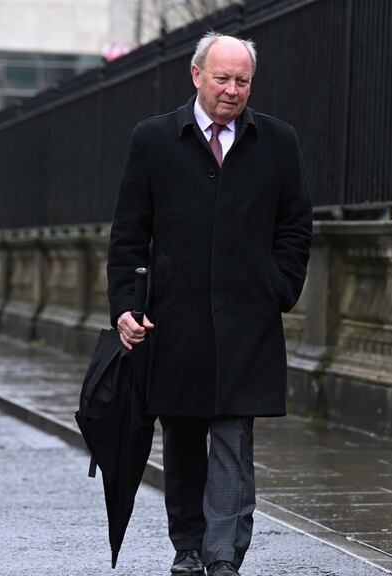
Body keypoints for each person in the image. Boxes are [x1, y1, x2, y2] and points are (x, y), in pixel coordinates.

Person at [106, 32, 312, 576]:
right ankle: (189, 547)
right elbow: (129, 234)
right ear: (195, 75)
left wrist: (278, 286)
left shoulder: (278, 141)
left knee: (232, 436)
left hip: (249, 317)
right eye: (222, 78)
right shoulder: (153, 139)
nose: (232, 90)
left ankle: (223, 554)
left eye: (242, 81)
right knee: (182, 436)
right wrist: (127, 305)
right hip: (174, 319)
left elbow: (296, 227)